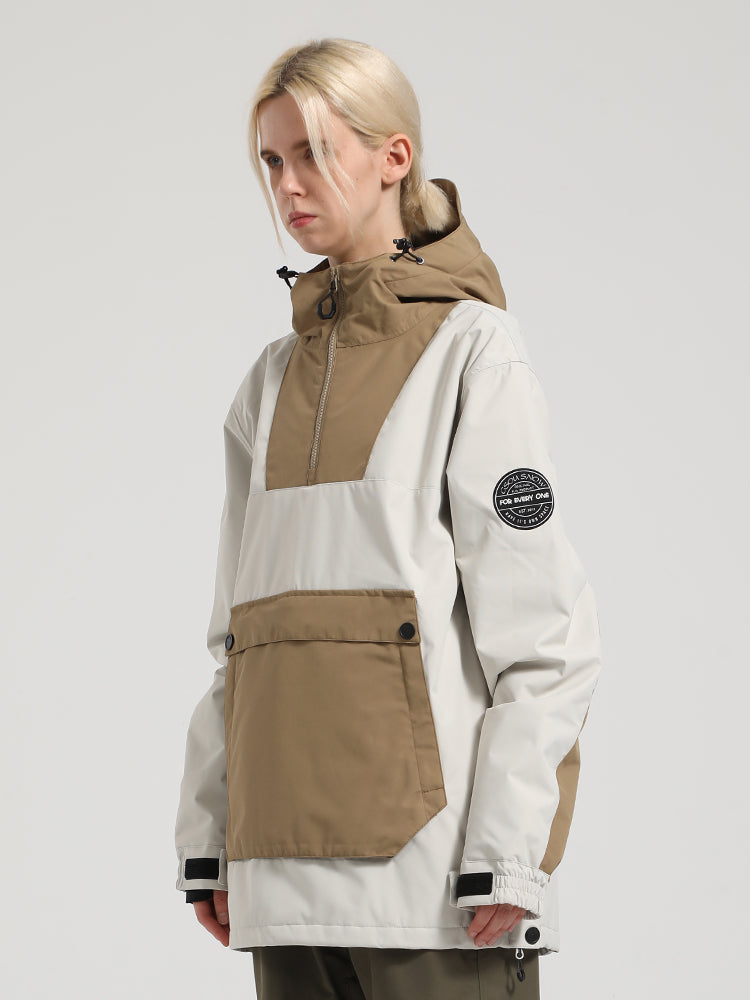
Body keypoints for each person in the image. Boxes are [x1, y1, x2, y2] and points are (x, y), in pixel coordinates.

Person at [174, 36, 602, 1000]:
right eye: (271, 161)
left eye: (314, 152)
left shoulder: (474, 351)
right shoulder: (268, 384)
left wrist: (512, 853)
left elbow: (543, 636)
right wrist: (212, 837)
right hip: (281, 879)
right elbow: (237, 640)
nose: (288, 185)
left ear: (393, 157)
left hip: (436, 892)